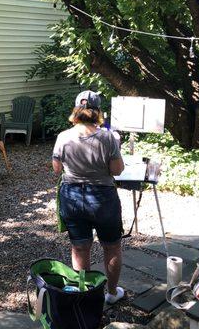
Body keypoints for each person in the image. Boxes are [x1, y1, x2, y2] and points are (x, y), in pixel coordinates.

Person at [52, 90, 125, 305]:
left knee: (80, 247)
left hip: (72, 197)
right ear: (98, 112)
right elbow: (117, 170)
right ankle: (111, 293)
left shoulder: (63, 136)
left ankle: (84, 295)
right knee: (111, 246)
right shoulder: (108, 137)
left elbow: (57, 168)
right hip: (102, 198)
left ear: (76, 110)